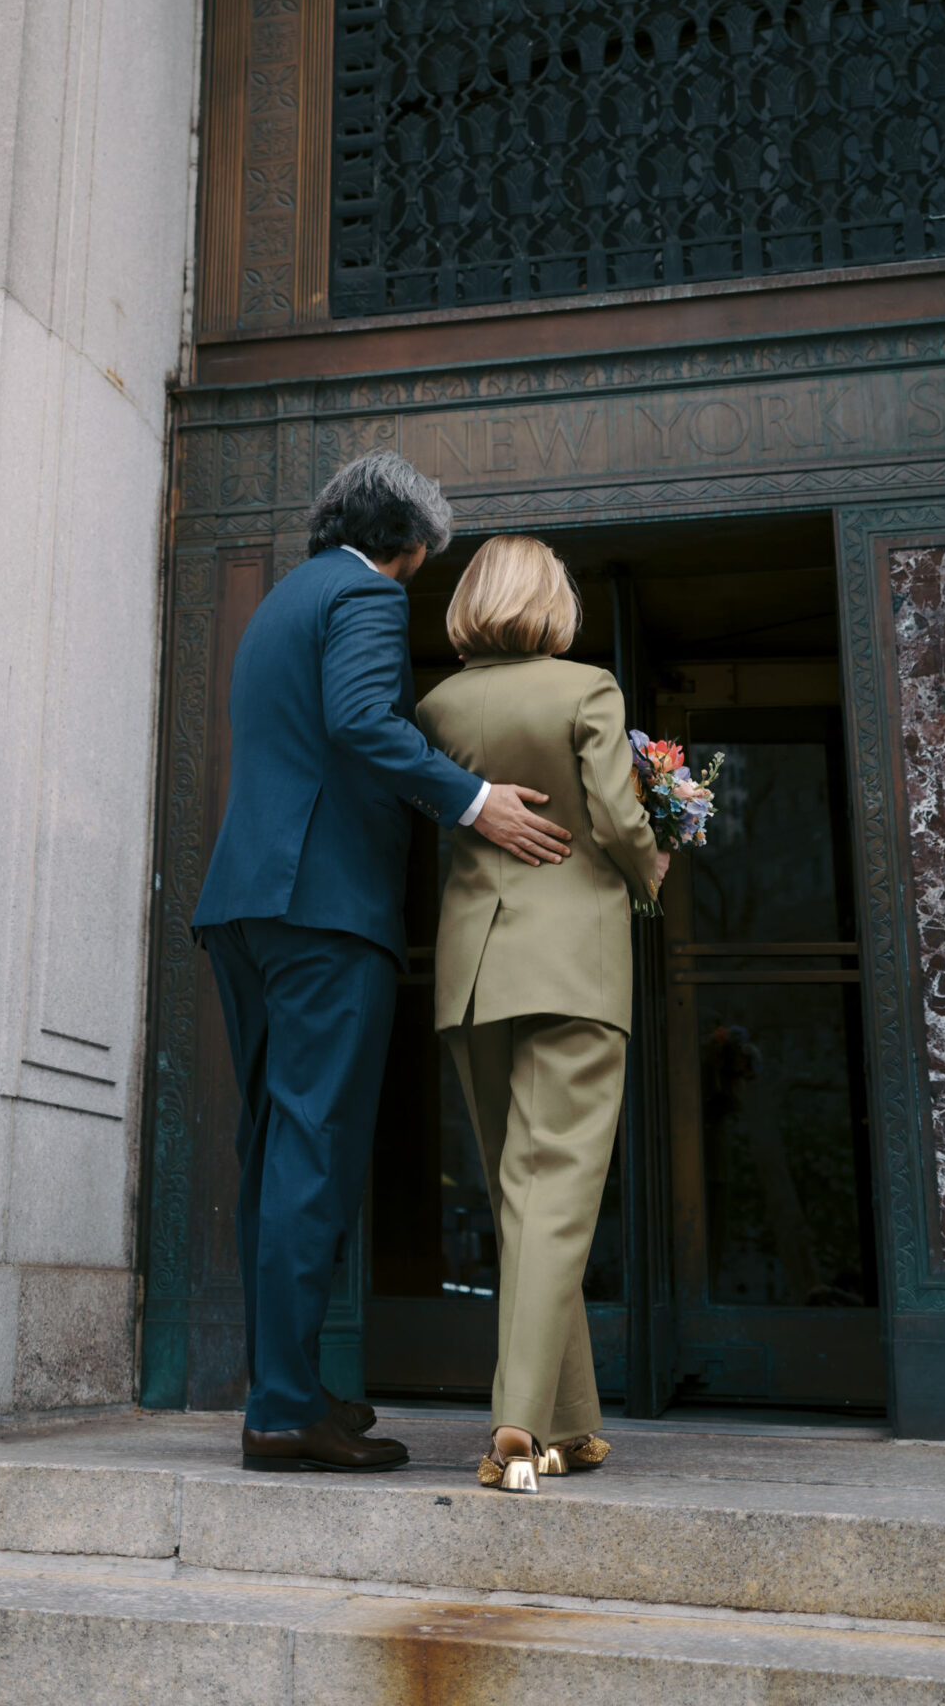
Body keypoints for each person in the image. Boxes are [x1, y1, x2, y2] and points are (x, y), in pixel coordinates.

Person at [193, 454, 572, 1474]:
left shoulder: (282, 600)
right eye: (420, 566)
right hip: (322, 908)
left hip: (247, 904)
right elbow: (361, 721)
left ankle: (292, 1385)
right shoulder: (363, 591)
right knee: (312, 1152)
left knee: (277, 1149)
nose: (411, 581)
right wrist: (472, 798)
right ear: (404, 545)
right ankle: (280, 1409)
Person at [417, 533, 664, 1493]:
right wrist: (652, 867)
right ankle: (515, 1426)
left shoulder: (436, 705)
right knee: (556, 1196)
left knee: (523, 1198)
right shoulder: (585, 687)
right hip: (572, 967)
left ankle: (572, 1424)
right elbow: (611, 815)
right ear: (550, 604)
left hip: (473, 975)